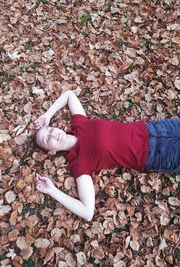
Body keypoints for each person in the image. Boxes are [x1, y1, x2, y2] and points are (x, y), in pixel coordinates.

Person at [34, 90, 180, 221]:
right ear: (51, 151)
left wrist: (46, 116)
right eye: (47, 139)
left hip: (158, 128)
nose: (53, 134)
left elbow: (69, 95)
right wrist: (52, 190)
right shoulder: (79, 163)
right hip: (158, 154)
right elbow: (87, 212)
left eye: (51, 129)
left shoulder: (80, 123)